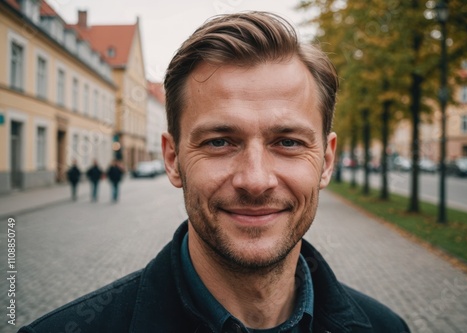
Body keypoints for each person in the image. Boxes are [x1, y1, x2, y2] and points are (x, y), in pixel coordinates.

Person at [19, 12, 411, 333]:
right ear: (172, 159)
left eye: (288, 142)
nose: (256, 180)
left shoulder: (387, 328)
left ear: (325, 162)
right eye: (220, 141)